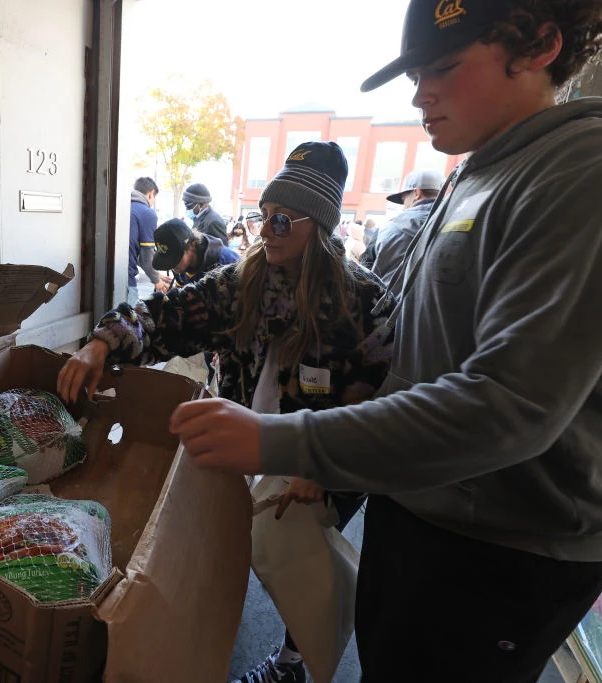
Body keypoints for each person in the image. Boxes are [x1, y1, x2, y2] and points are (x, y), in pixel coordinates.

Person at [167, 2, 602, 682]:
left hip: (502, 544)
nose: (419, 93)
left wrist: (284, 440)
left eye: (443, 68)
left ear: (542, 45)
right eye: (416, 72)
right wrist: (335, 462)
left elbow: (510, 403)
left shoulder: (595, 168)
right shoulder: (474, 175)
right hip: (421, 505)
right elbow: (412, 357)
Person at [57, 142, 396, 683]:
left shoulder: (363, 302)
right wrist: (103, 342)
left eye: (283, 221)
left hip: (318, 459)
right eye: (264, 217)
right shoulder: (244, 282)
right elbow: (168, 315)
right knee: (231, 543)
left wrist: (322, 466)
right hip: (244, 444)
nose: (267, 232)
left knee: (300, 565)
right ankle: (210, 636)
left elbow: (379, 401)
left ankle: (294, 661)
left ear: (322, 225)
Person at [372, 169, 444, 285]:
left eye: (404, 199)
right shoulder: (455, 224)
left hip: (390, 301)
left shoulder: (386, 229)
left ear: (417, 193)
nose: (404, 206)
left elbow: (367, 275)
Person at [151, 218, 239, 288]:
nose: (172, 266)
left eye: (175, 258)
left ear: (192, 244)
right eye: (168, 260)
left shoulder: (228, 266)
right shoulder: (181, 265)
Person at [128, 177, 164, 303]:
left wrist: (157, 275)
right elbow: (147, 255)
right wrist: (157, 281)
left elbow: (133, 250)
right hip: (127, 279)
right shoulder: (147, 213)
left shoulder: (124, 208)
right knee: (130, 320)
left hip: (110, 273)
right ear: (150, 194)